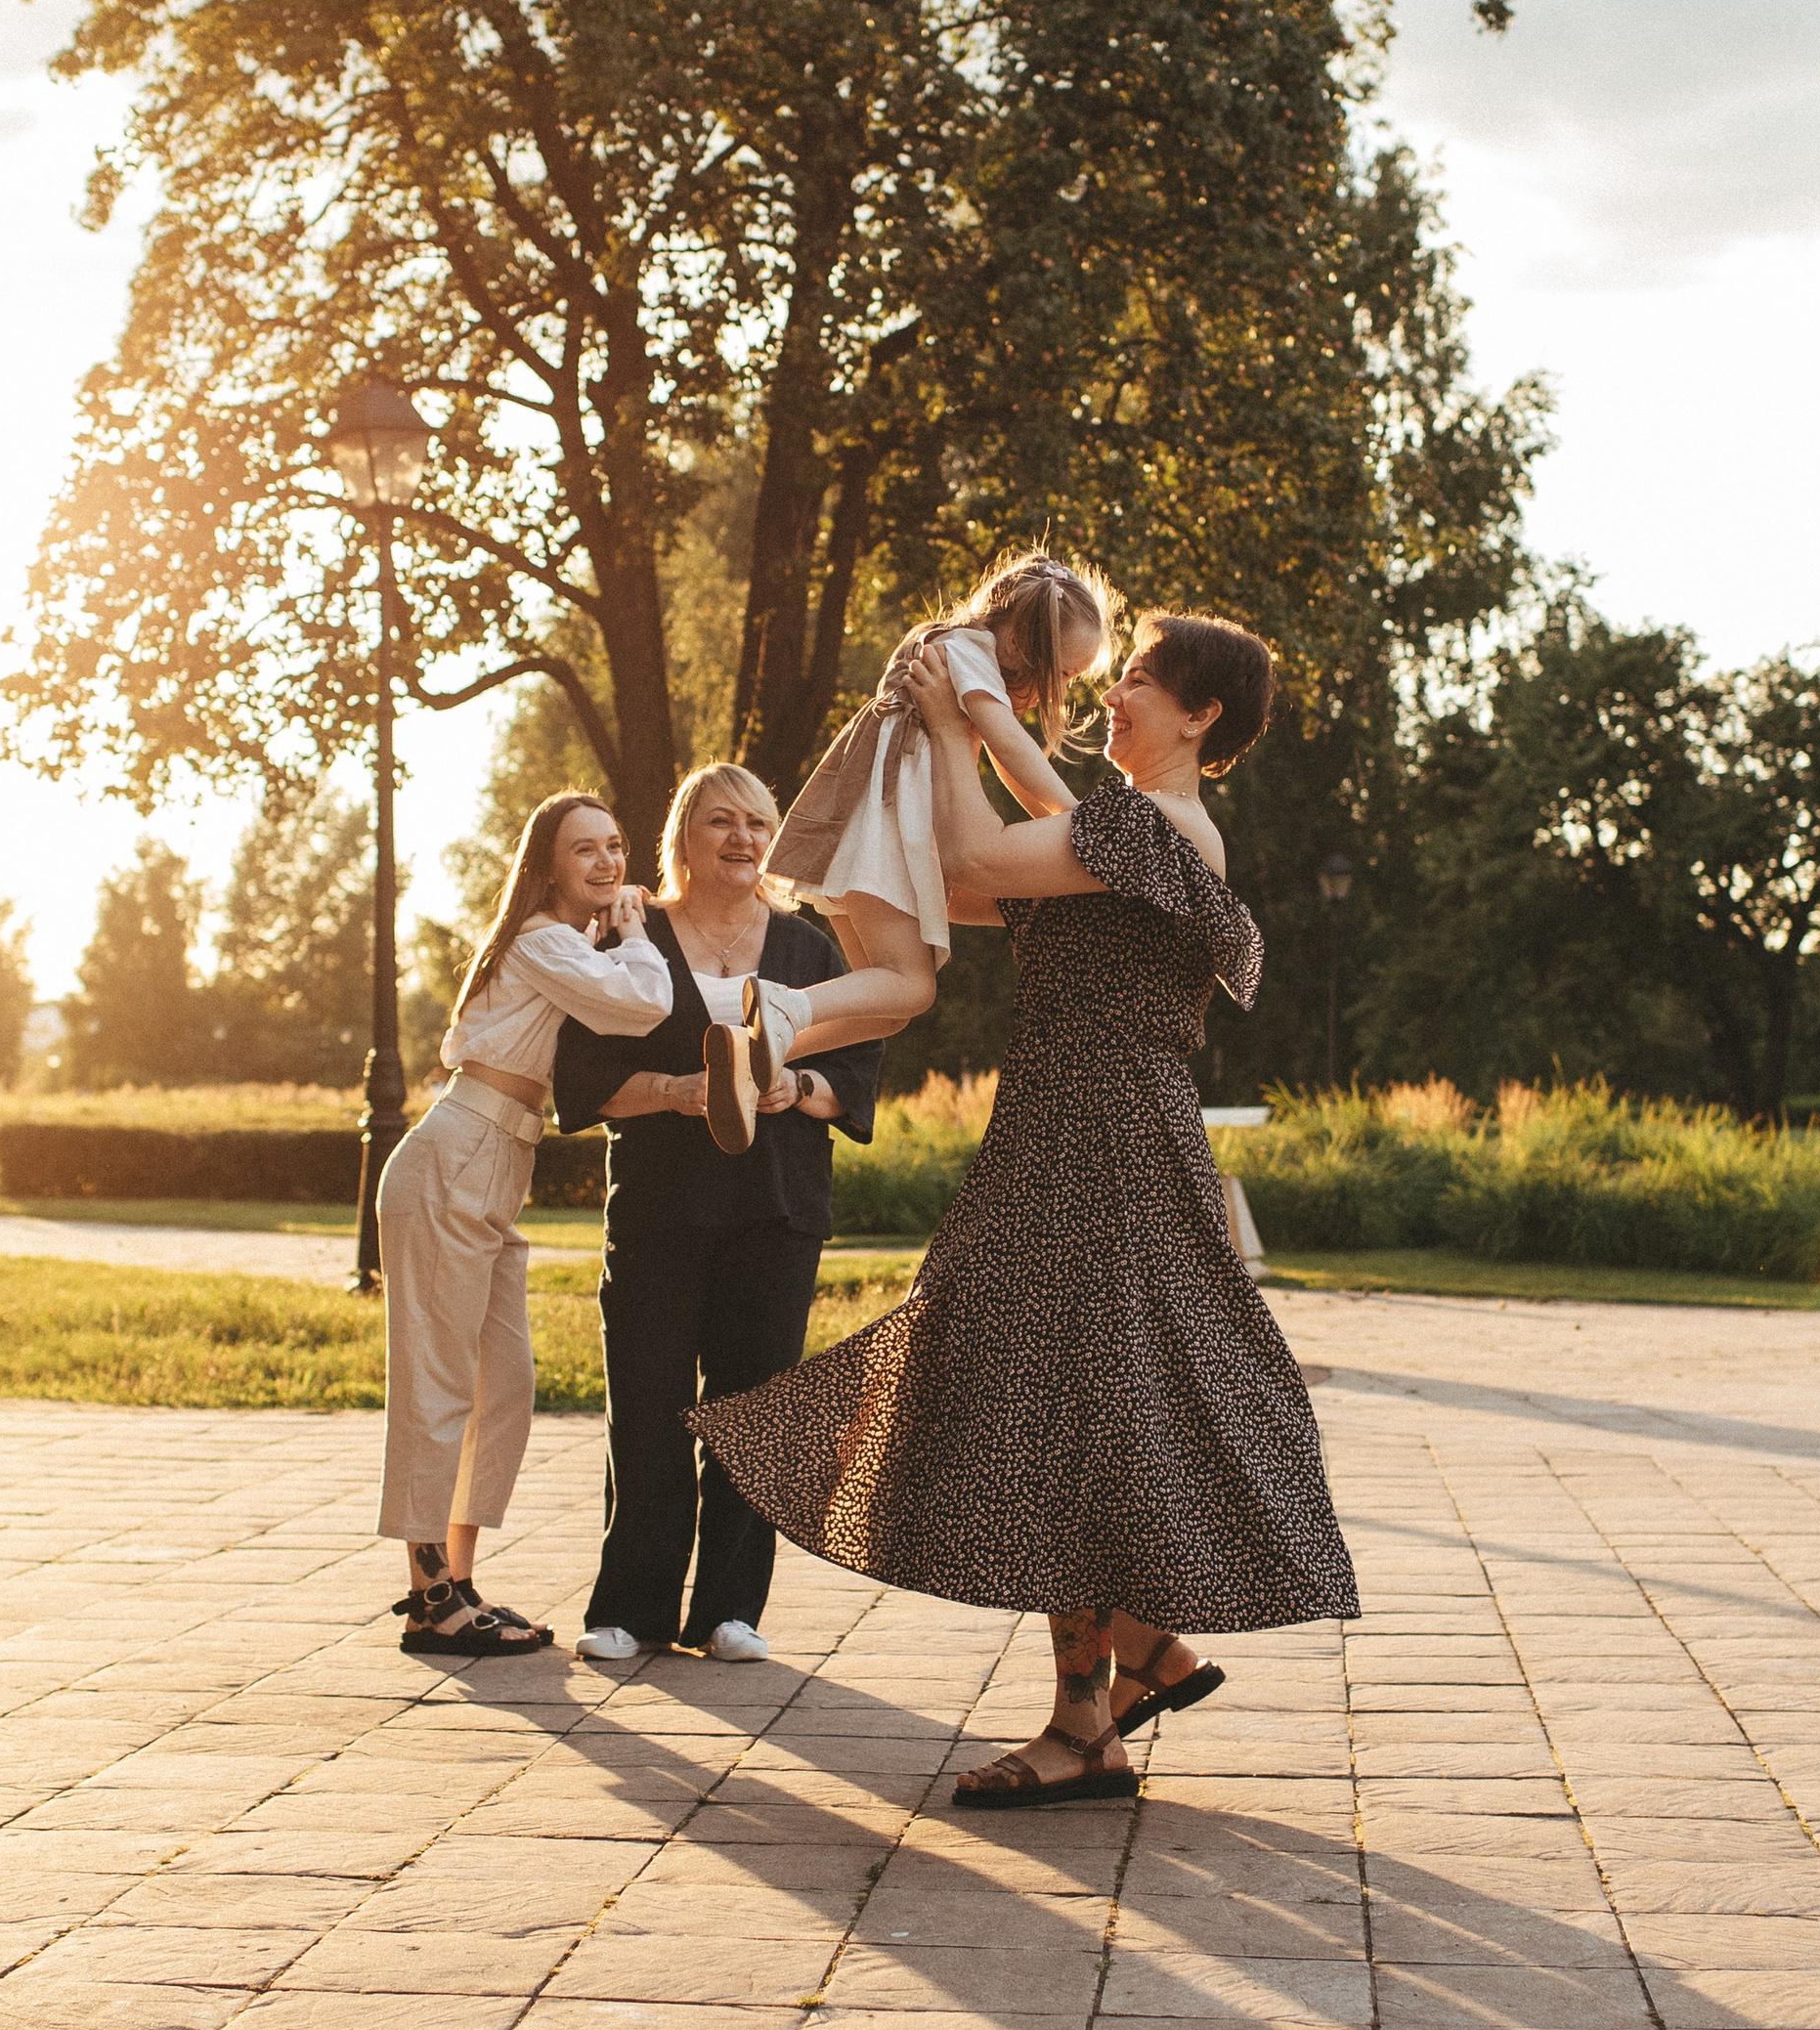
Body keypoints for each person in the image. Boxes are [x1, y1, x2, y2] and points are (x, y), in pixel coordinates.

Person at [695, 613, 1358, 1808]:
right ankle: (1131, 1665)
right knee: (1062, 1400)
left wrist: (963, 704)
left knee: (1071, 1403)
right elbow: (967, 872)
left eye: (1142, 683)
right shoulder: (1113, 837)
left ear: (1200, 718)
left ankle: (1089, 1713)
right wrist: (953, 724)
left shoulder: (1166, 828)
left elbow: (981, 850)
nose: (1117, 696)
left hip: (1104, 1143)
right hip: (1062, 1132)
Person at [551, 762, 885, 1666]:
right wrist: (674, 1090)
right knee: (649, 1410)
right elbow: (582, 1083)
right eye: (721, 822)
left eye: (758, 823)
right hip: (658, 1211)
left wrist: (803, 1086)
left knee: (754, 1411)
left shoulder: (810, 949)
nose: (742, 839)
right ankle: (632, 1607)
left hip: (776, 1213)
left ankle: (731, 1609)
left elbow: (858, 1069)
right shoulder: (630, 935)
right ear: (684, 837)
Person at [375, 791, 672, 1657]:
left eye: (616, 847)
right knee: (439, 1387)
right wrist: (640, 934)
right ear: (548, 865)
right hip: (456, 1157)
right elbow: (642, 1006)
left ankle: (457, 1585)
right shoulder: (545, 939)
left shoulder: (565, 943)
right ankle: (429, 1599)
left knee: (503, 1386)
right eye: (586, 850)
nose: (609, 863)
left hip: (497, 1163)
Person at [720, 552, 1112, 1144]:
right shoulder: (967, 654)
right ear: (1023, 640)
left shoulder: (949, 647)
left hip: (864, 830)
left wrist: (1059, 831)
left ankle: (752, 1052)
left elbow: (1006, 766)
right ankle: (782, 1006)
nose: (1062, 686)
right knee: (914, 984)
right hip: (884, 833)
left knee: (889, 1006)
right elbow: (1014, 752)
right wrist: (1085, 828)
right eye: (1064, 672)